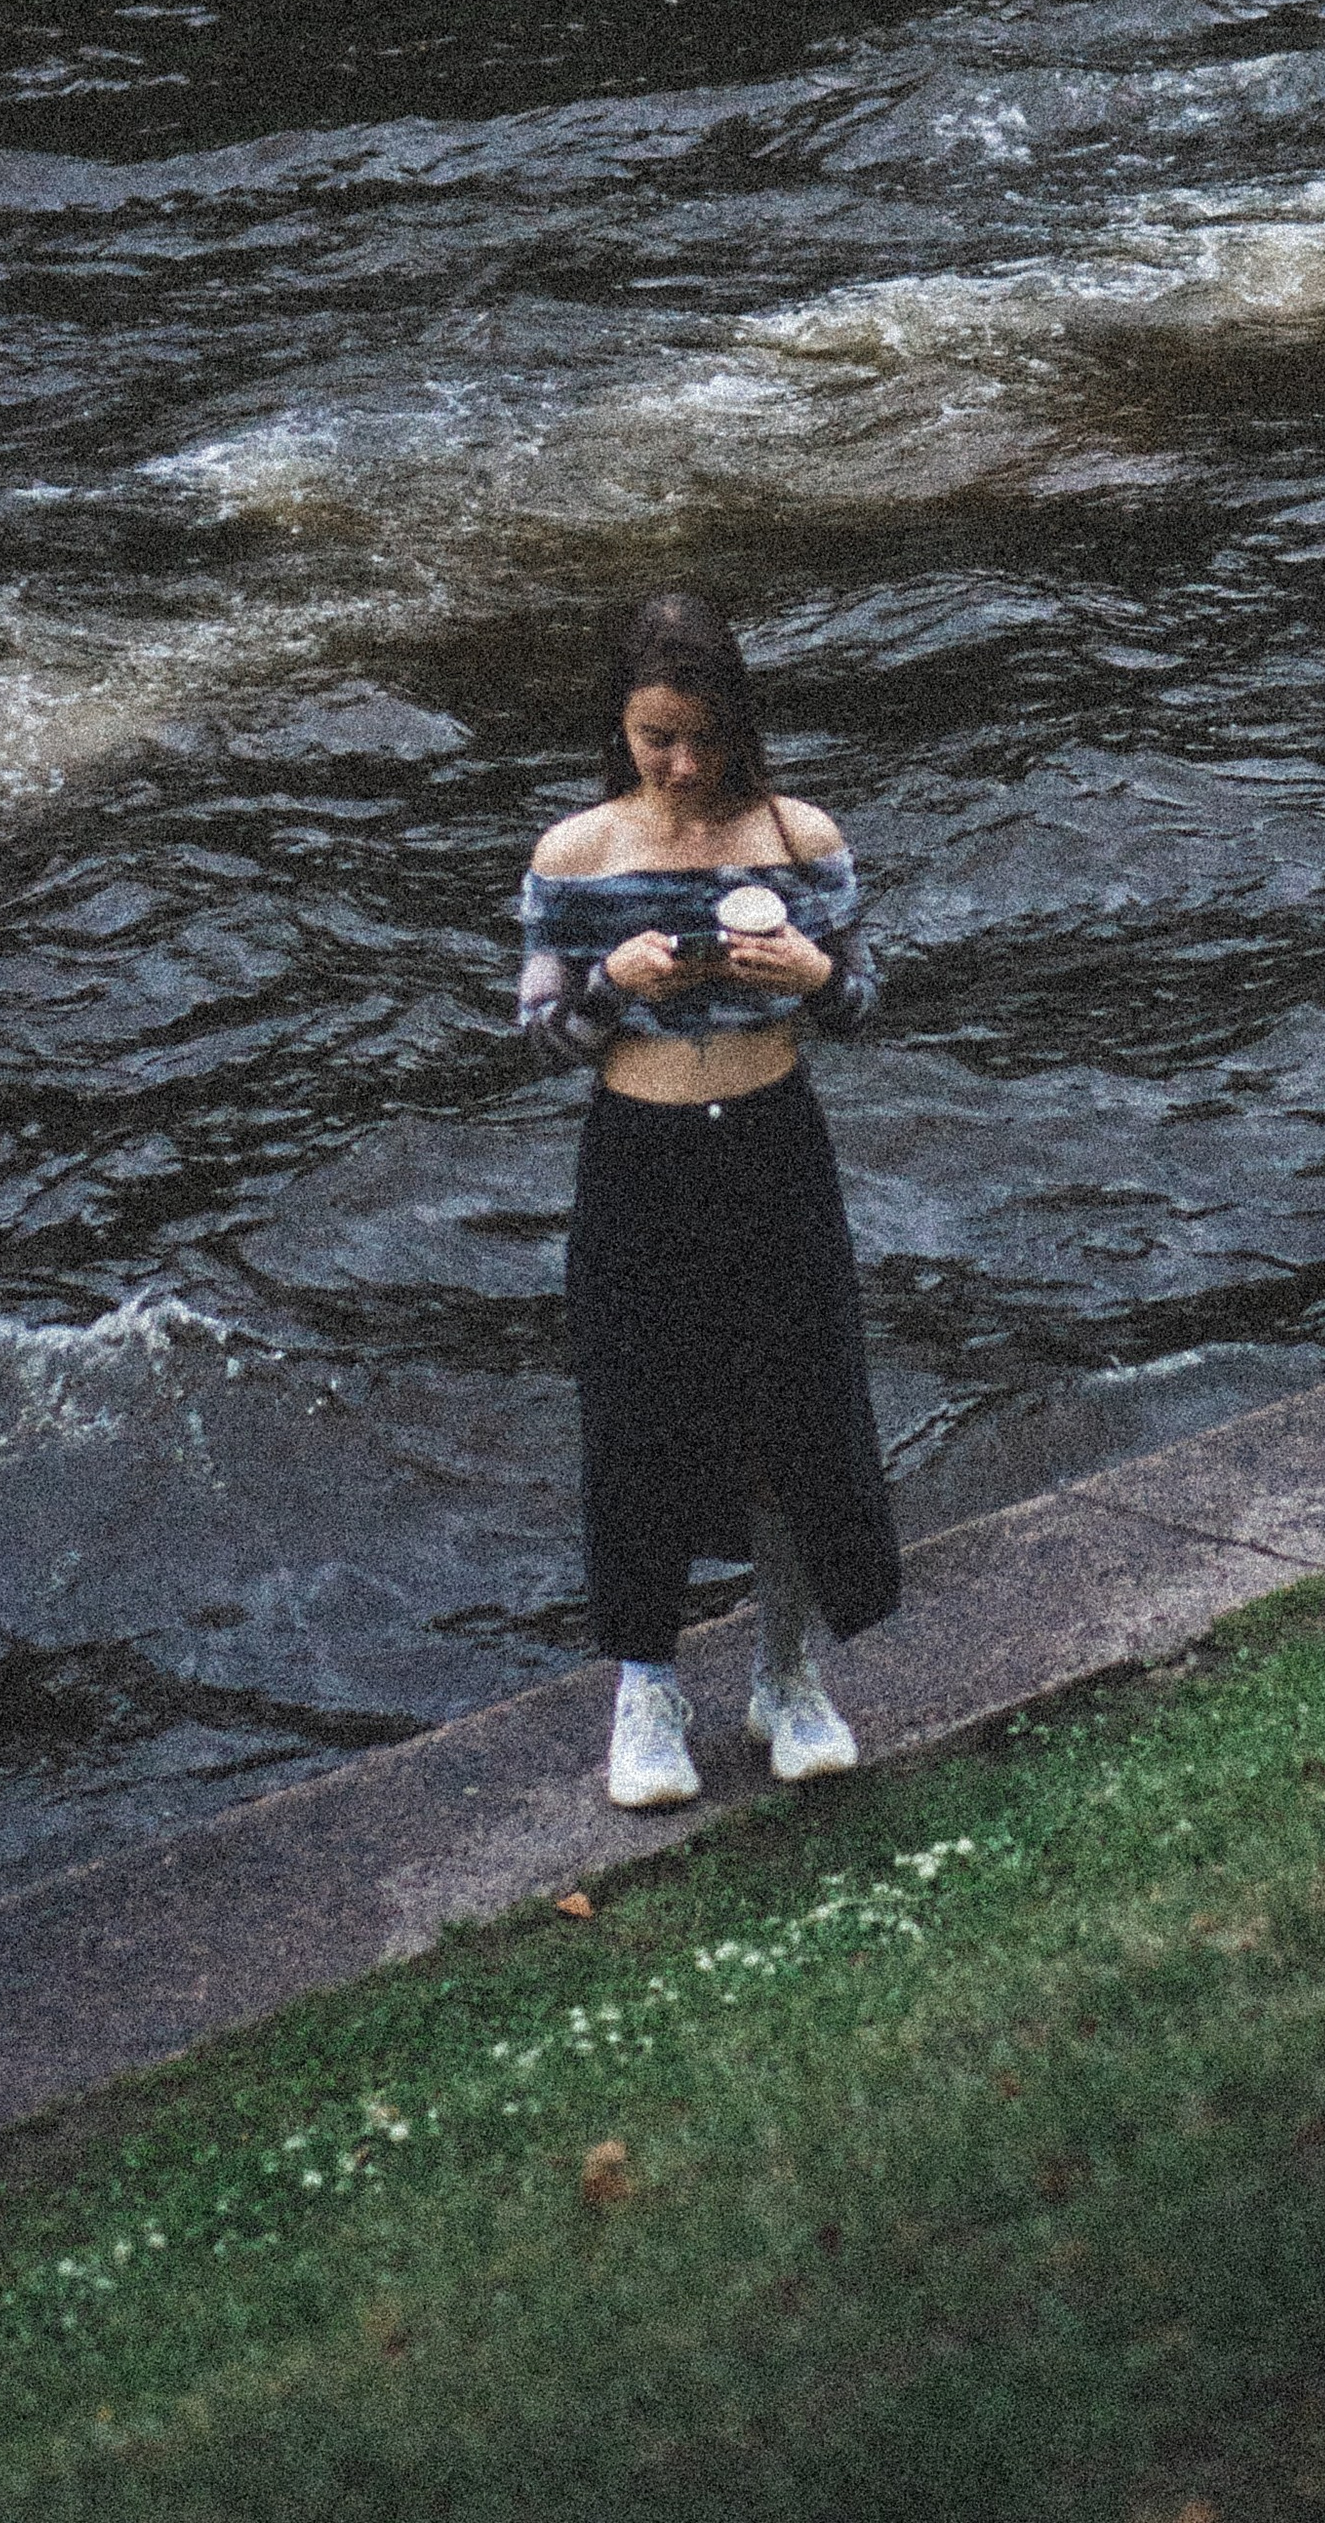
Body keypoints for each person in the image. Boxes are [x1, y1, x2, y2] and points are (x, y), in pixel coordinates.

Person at [517, 588, 900, 1810]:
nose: (684, 765)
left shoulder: (799, 837)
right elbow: (541, 1037)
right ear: (620, 733)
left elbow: (862, 1004)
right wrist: (610, 989)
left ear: (741, 719)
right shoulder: (576, 857)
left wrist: (816, 970)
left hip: (774, 1148)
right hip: (641, 1157)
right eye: (654, 740)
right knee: (639, 1423)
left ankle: (786, 1675)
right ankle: (645, 1694)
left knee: (794, 1412)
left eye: (704, 735)